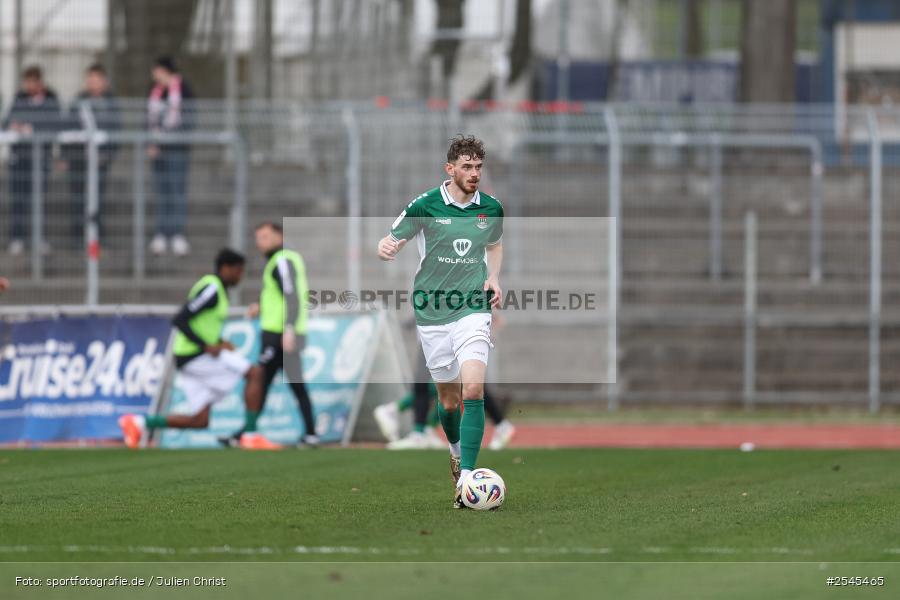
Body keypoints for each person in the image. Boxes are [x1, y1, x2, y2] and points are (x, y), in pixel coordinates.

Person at [377, 135, 503, 508]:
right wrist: (386, 246)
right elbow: (392, 238)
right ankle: (454, 452)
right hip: (432, 313)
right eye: (467, 167)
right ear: (450, 169)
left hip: (472, 307)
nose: (474, 173)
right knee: (448, 402)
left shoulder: (491, 208)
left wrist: (493, 278)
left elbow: (494, 244)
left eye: (478, 167)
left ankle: (467, 477)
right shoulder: (427, 204)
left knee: (473, 389)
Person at [118, 249, 266, 448]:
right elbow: (180, 318)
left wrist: (220, 342)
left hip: (190, 357)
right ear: (225, 268)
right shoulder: (212, 289)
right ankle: (250, 435)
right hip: (194, 355)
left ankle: (138, 423)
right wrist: (205, 345)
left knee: (200, 421)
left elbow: (200, 324)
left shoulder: (218, 290)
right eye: (238, 270)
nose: (240, 276)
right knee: (255, 373)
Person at [223, 222, 319, 448]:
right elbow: (280, 297)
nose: (260, 242)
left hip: (279, 335)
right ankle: (309, 434)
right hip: (283, 332)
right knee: (281, 383)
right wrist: (261, 306)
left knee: (261, 380)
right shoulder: (282, 261)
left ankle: (246, 433)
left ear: (280, 236)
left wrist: (289, 329)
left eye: (266, 236)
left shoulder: (282, 260)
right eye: (258, 238)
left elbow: (291, 295)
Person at [61, 63, 121, 247]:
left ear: (104, 82)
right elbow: (67, 129)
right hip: (78, 160)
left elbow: (116, 132)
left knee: (97, 201)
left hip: (100, 162)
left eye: (97, 80)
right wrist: (65, 156)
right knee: (78, 199)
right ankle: (78, 238)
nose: (93, 83)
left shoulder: (111, 104)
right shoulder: (78, 101)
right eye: (90, 79)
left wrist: (107, 156)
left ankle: (97, 238)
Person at [3, 66, 61, 256]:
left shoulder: (51, 101)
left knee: (39, 201)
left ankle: (40, 238)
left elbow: (53, 124)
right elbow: (7, 122)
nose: (28, 85)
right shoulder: (19, 99)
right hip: (19, 160)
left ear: (39, 82)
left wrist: (29, 127)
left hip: (40, 160)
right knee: (18, 201)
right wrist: (16, 126)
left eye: (31, 81)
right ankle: (17, 238)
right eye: (25, 81)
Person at [147, 56, 195, 257]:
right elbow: (148, 119)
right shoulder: (155, 92)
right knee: (162, 191)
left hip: (177, 150)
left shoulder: (184, 90)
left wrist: (174, 139)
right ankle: (161, 233)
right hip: (158, 150)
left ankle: (176, 233)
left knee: (176, 191)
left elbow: (190, 119)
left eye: (156, 70)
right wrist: (151, 141)